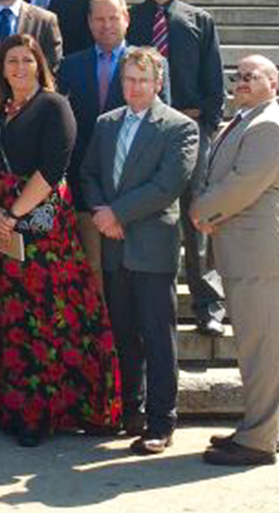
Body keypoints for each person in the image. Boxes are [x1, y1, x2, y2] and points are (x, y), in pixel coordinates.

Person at [0, 32, 118, 445]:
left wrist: (14, 215)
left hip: (41, 226)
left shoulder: (55, 107)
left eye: (27, 60)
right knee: (11, 315)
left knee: (45, 317)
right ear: (1, 67)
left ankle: (46, 413)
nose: (19, 68)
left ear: (40, 64)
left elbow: (54, 169)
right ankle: (16, 409)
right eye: (12, 61)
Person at [76, 48, 201, 453]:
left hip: (151, 246)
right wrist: (99, 211)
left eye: (142, 80)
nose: (134, 87)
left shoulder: (180, 127)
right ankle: (130, 409)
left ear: (158, 83)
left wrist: (116, 213)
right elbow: (89, 173)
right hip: (113, 247)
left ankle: (161, 421)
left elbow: (167, 187)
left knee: (158, 337)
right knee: (124, 335)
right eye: (128, 79)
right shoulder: (106, 123)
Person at [190, 55, 279, 468]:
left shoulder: (268, 125)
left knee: (263, 352)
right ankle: (257, 429)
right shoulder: (247, 119)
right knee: (254, 350)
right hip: (247, 254)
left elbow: (242, 185)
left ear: (274, 83)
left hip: (262, 256)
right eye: (237, 76)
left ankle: (258, 441)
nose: (240, 82)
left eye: (251, 76)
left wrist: (201, 211)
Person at [125, 0, 228, 333]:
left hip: (189, 127)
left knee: (196, 213)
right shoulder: (131, 19)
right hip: (144, 126)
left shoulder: (200, 21)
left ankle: (208, 304)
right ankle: (147, 301)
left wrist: (206, 128)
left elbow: (214, 81)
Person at [60, 0, 165, 287]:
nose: (106, 25)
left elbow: (160, 125)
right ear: (89, 23)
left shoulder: (151, 65)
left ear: (126, 19)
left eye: (113, 18)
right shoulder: (70, 65)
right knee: (92, 268)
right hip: (86, 184)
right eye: (99, 18)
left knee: (131, 275)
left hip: (134, 188)